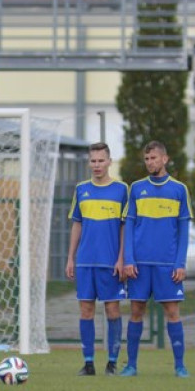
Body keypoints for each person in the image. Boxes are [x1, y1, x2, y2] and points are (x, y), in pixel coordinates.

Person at [121, 141, 193, 378]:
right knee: (136, 311)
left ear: (165, 159)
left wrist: (180, 263)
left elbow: (184, 231)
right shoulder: (136, 188)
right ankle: (131, 365)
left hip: (167, 265)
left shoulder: (179, 189)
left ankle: (180, 366)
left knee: (172, 312)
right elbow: (129, 225)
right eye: (147, 158)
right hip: (140, 265)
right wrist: (129, 259)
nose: (150, 162)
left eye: (154, 158)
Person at [65, 142, 129, 376]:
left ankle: (112, 362)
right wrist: (71, 258)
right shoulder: (81, 190)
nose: (97, 165)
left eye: (101, 160)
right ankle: (88, 362)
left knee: (113, 310)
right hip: (85, 262)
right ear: (88, 163)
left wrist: (122, 258)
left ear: (109, 162)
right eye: (93, 161)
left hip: (110, 262)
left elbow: (125, 228)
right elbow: (77, 224)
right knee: (86, 311)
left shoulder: (122, 190)